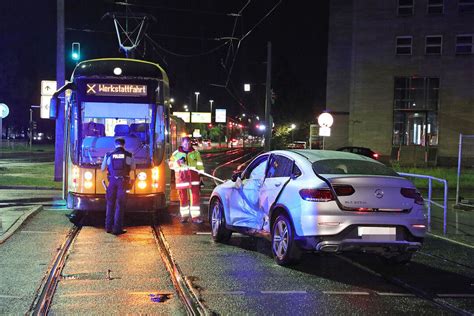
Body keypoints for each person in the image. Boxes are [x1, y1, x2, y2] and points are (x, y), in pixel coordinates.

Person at [101, 137, 135, 235]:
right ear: (124, 145)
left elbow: (103, 168)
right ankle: (117, 229)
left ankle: (108, 227)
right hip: (123, 182)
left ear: (115, 144)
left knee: (110, 204)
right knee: (120, 205)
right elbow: (133, 167)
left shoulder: (108, 155)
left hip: (112, 181)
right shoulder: (129, 155)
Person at [169, 136, 205, 224]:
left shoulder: (196, 153)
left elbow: (200, 165)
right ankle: (184, 216)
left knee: (195, 198)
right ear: (182, 144)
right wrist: (178, 163)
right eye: (185, 143)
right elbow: (170, 165)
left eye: (189, 143)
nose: (187, 145)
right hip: (182, 179)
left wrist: (201, 176)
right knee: (183, 198)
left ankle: (195, 217)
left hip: (194, 179)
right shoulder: (176, 154)